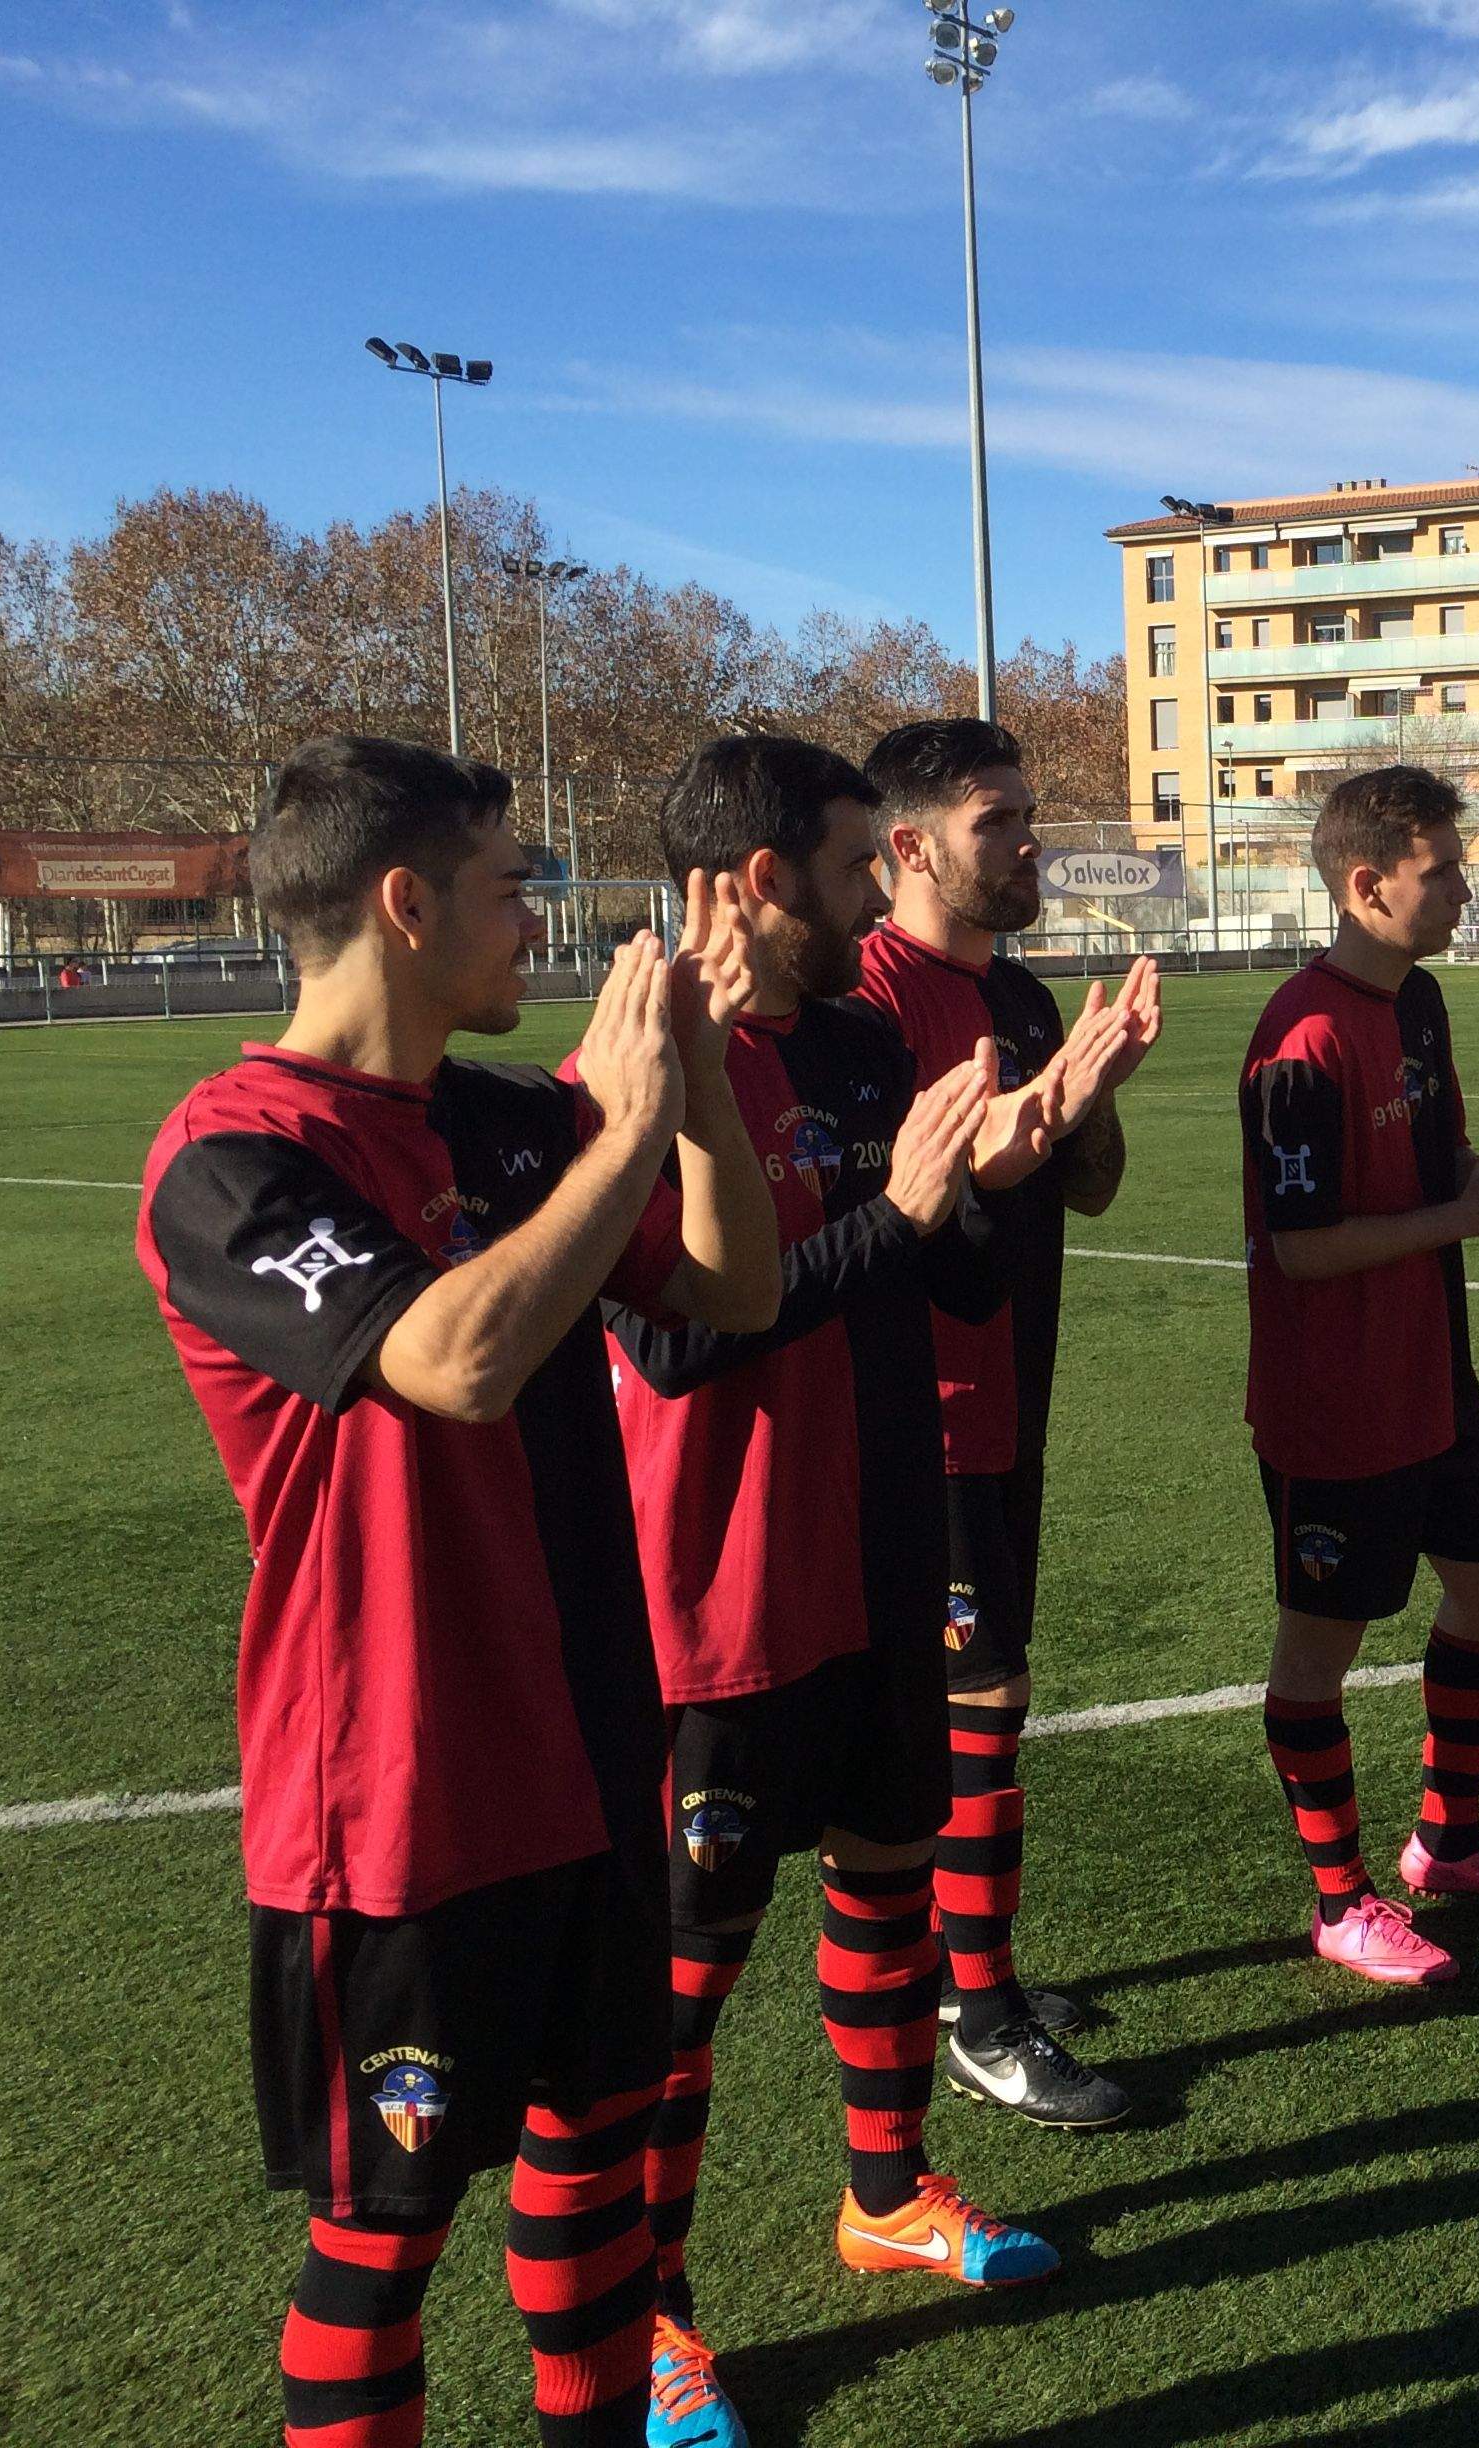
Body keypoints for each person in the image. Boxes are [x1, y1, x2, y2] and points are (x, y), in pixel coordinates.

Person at [137, 736, 781, 2448]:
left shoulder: (506, 1118)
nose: (542, 921)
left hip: (584, 1732)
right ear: (403, 903)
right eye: (516, 886)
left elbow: (728, 1286)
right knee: (383, 2229)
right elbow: (455, 1359)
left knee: (595, 2170)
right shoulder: (233, 1157)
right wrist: (630, 1122)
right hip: (396, 1785)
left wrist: (695, 1086)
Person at [598, 735, 1086, 2437]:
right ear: (755, 879)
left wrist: (991, 1171)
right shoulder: (648, 1061)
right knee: (685, 1968)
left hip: (884, 1540)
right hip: (722, 1576)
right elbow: (674, 1338)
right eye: (837, 855)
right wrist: (901, 1206)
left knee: (887, 1872)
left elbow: (942, 1278)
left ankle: (885, 2190)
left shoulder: (867, 1038)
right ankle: (648, 2306)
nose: (865, 875)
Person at [1242, 765, 1479, 1985]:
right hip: (1332, 1404)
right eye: (1441, 866)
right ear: (1366, 883)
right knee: (1316, 1660)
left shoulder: (1425, 1003)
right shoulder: (1299, 1039)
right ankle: (1340, 1901)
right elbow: (1302, 1249)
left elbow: (1433, 1170)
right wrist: (1471, 1220)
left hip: (1430, 1380)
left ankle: (1444, 1843)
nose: (1463, 884)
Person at [854, 717, 1161, 2123]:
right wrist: (1024, 1117)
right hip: (912, 1421)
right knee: (970, 1710)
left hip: (1012, 1403)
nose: (1031, 841)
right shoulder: (861, 1004)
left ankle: (973, 1970)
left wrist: (1083, 1095)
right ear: (909, 846)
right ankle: (976, 2012)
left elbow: (1084, 1185)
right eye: (1001, 821)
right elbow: (877, 1215)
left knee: (992, 1701)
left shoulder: (1027, 998)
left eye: (1030, 815)